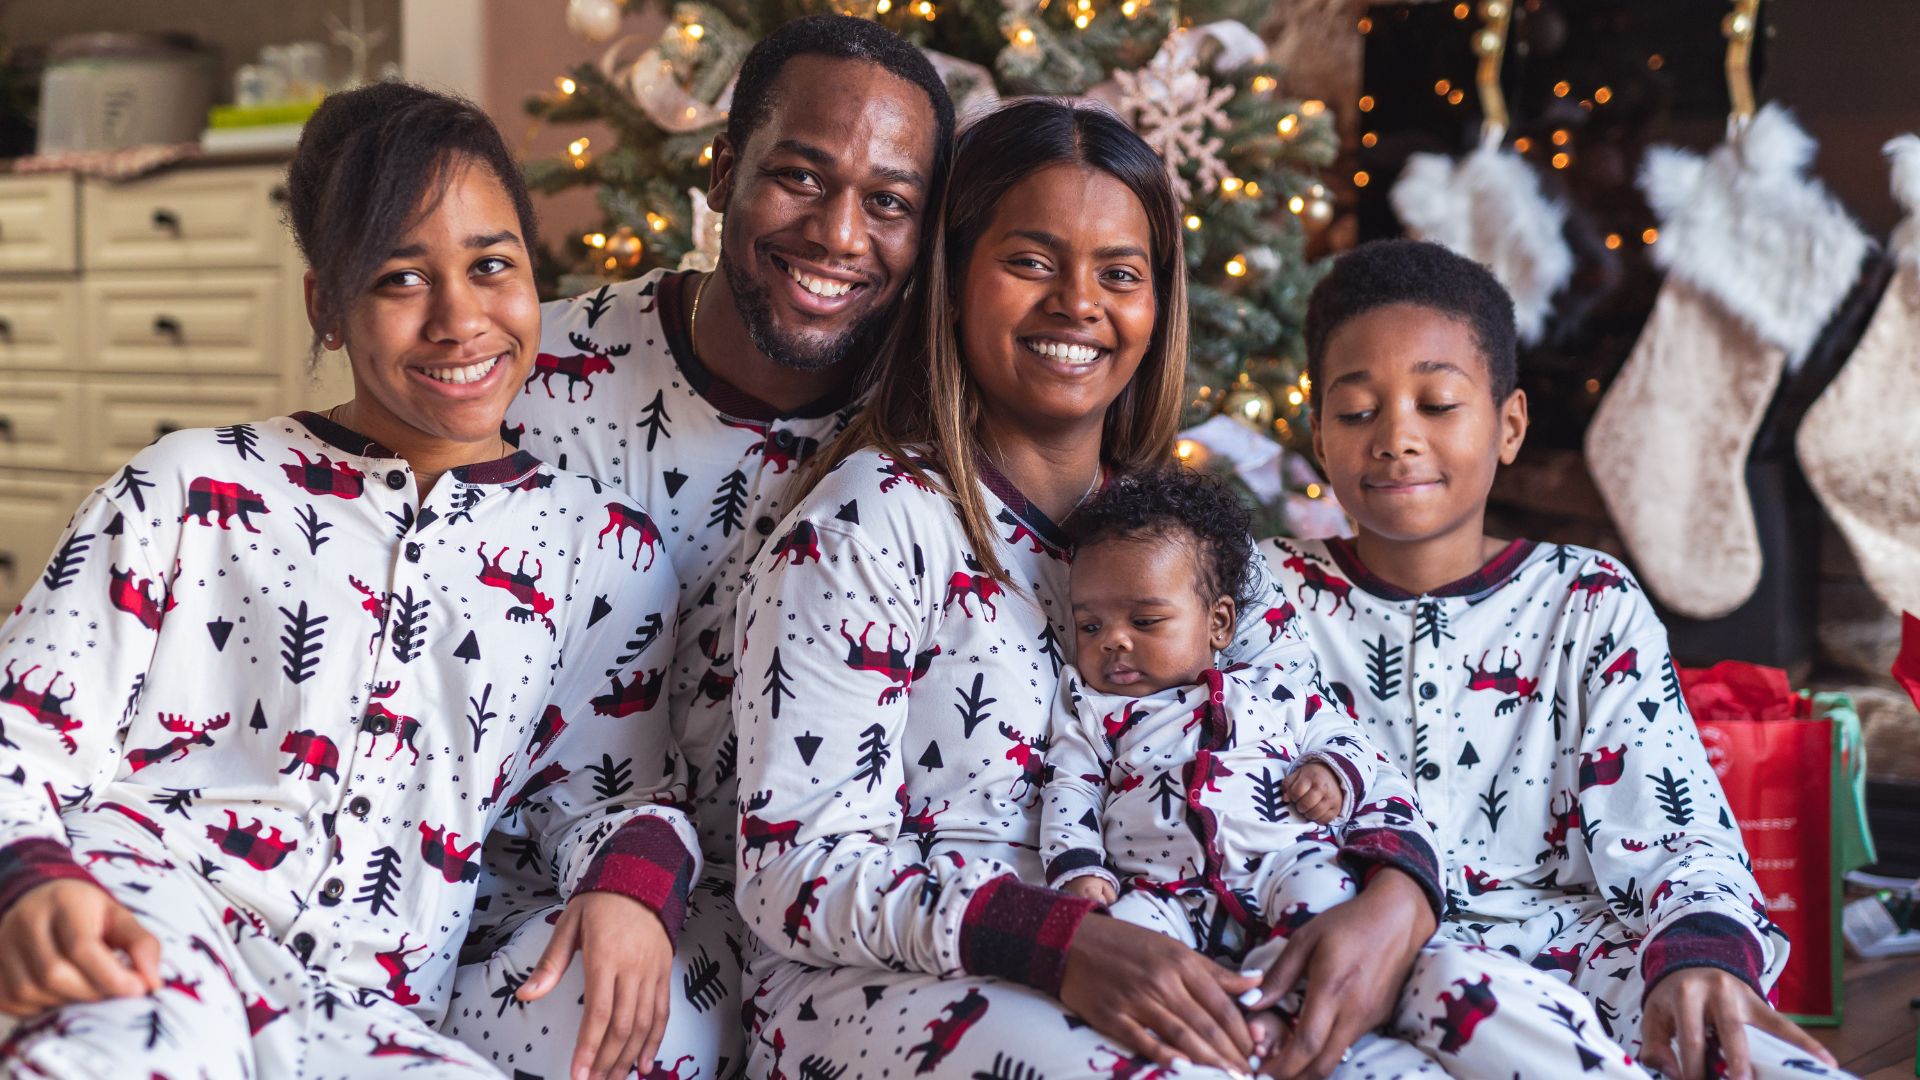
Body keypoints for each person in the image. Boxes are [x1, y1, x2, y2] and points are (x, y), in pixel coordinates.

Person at [728, 98, 1496, 1080]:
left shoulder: (1189, 542)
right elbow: (793, 870)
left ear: (1156, 306)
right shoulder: (868, 526)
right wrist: (1062, 943)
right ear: (954, 282)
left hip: (1192, 946)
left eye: (1120, 275)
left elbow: (1333, 739)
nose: (1078, 303)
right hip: (891, 987)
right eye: (1030, 262)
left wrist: (1395, 902)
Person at [0, 82, 698, 1080]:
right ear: (325, 306)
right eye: (400, 278)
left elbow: (607, 796)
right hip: (149, 920)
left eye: (491, 266)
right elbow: (19, 735)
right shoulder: (194, 487)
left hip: (370, 999)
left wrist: (631, 888)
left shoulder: (606, 552)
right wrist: (27, 883)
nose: (460, 318)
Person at [444, 14, 956, 1076]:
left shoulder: (932, 434)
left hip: (831, 917)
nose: (839, 234)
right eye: (800, 178)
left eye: (890, 202)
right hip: (550, 890)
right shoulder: (532, 378)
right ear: (723, 173)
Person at [1260, 238, 1847, 1080]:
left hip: (1577, 966)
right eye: (1355, 413)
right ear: (1318, 433)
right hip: (1349, 969)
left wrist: (1699, 955)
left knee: (1755, 1060)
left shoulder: (1589, 601)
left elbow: (1677, 827)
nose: (1395, 437)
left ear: (1509, 426)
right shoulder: (1260, 595)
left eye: (1437, 404)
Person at [1043, 466, 1644, 1077]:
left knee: (1324, 902)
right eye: (1091, 626)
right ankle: (1228, 1018)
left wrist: (1331, 772)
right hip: (1162, 887)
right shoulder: (1091, 713)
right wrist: (1079, 870)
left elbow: (1345, 740)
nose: (1114, 642)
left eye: (1145, 622)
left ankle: (1283, 1005)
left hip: (1284, 862)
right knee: (1129, 940)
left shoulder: (1268, 690)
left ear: (1219, 624)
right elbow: (1071, 790)